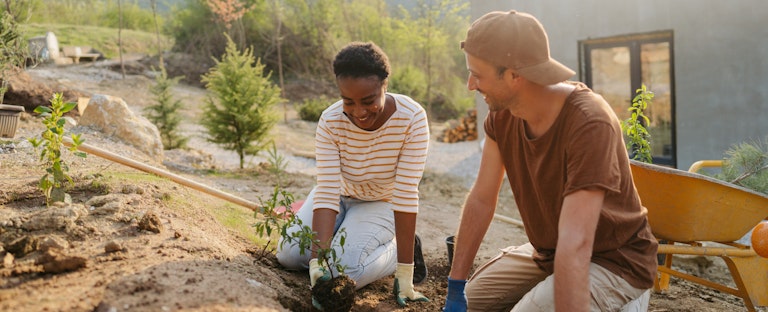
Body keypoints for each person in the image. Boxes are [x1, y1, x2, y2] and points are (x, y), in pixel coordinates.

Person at [443, 10, 659, 312]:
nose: (470, 85)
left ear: (515, 74)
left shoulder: (588, 123)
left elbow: (577, 242)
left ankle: (629, 301)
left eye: (477, 75)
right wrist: (456, 286)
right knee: (473, 301)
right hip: (549, 253)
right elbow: (481, 198)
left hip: (615, 260)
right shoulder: (502, 115)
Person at [275, 41, 430, 309]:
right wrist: (316, 262)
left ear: (385, 85)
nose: (359, 112)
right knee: (288, 255)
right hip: (338, 195)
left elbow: (405, 194)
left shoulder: (412, 119)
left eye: (369, 101)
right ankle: (341, 241)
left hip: (381, 203)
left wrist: (405, 273)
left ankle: (395, 250)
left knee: (343, 273)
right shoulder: (330, 121)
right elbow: (326, 189)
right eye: (349, 101)